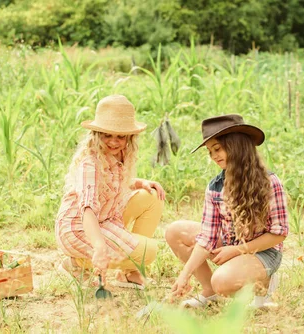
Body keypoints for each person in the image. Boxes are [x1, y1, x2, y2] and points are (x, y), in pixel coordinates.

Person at [165, 114, 289, 308]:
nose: (214, 156)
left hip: (264, 251)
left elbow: (279, 234)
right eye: (210, 151)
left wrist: (236, 250)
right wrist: (184, 275)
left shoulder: (269, 182)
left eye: (218, 148)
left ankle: (264, 282)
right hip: (231, 243)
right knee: (175, 231)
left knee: (223, 281)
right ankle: (209, 292)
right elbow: (207, 238)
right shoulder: (215, 187)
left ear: (237, 145)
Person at [55, 95, 165, 289]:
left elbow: (112, 184)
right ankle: (76, 264)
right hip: (79, 227)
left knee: (151, 197)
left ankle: (130, 272)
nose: (113, 142)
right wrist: (99, 246)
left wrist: (140, 182)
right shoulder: (90, 164)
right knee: (150, 251)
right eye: (108, 135)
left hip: (104, 218)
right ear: (97, 135)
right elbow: (87, 208)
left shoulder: (118, 156)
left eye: (120, 136)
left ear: (129, 138)